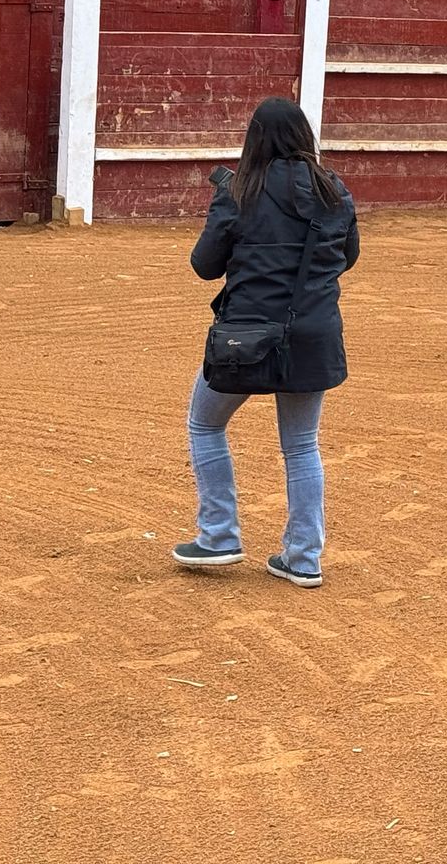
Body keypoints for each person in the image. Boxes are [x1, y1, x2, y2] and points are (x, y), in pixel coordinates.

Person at [172, 98, 357, 588]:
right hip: (312, 333)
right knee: (301, 446)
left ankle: (218, 536)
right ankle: (304, 558)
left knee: (204, 424)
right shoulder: (334, 190)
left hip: (245, 336)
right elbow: (347, 256)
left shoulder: (239, 192)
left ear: (254, 139)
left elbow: (204, 265)